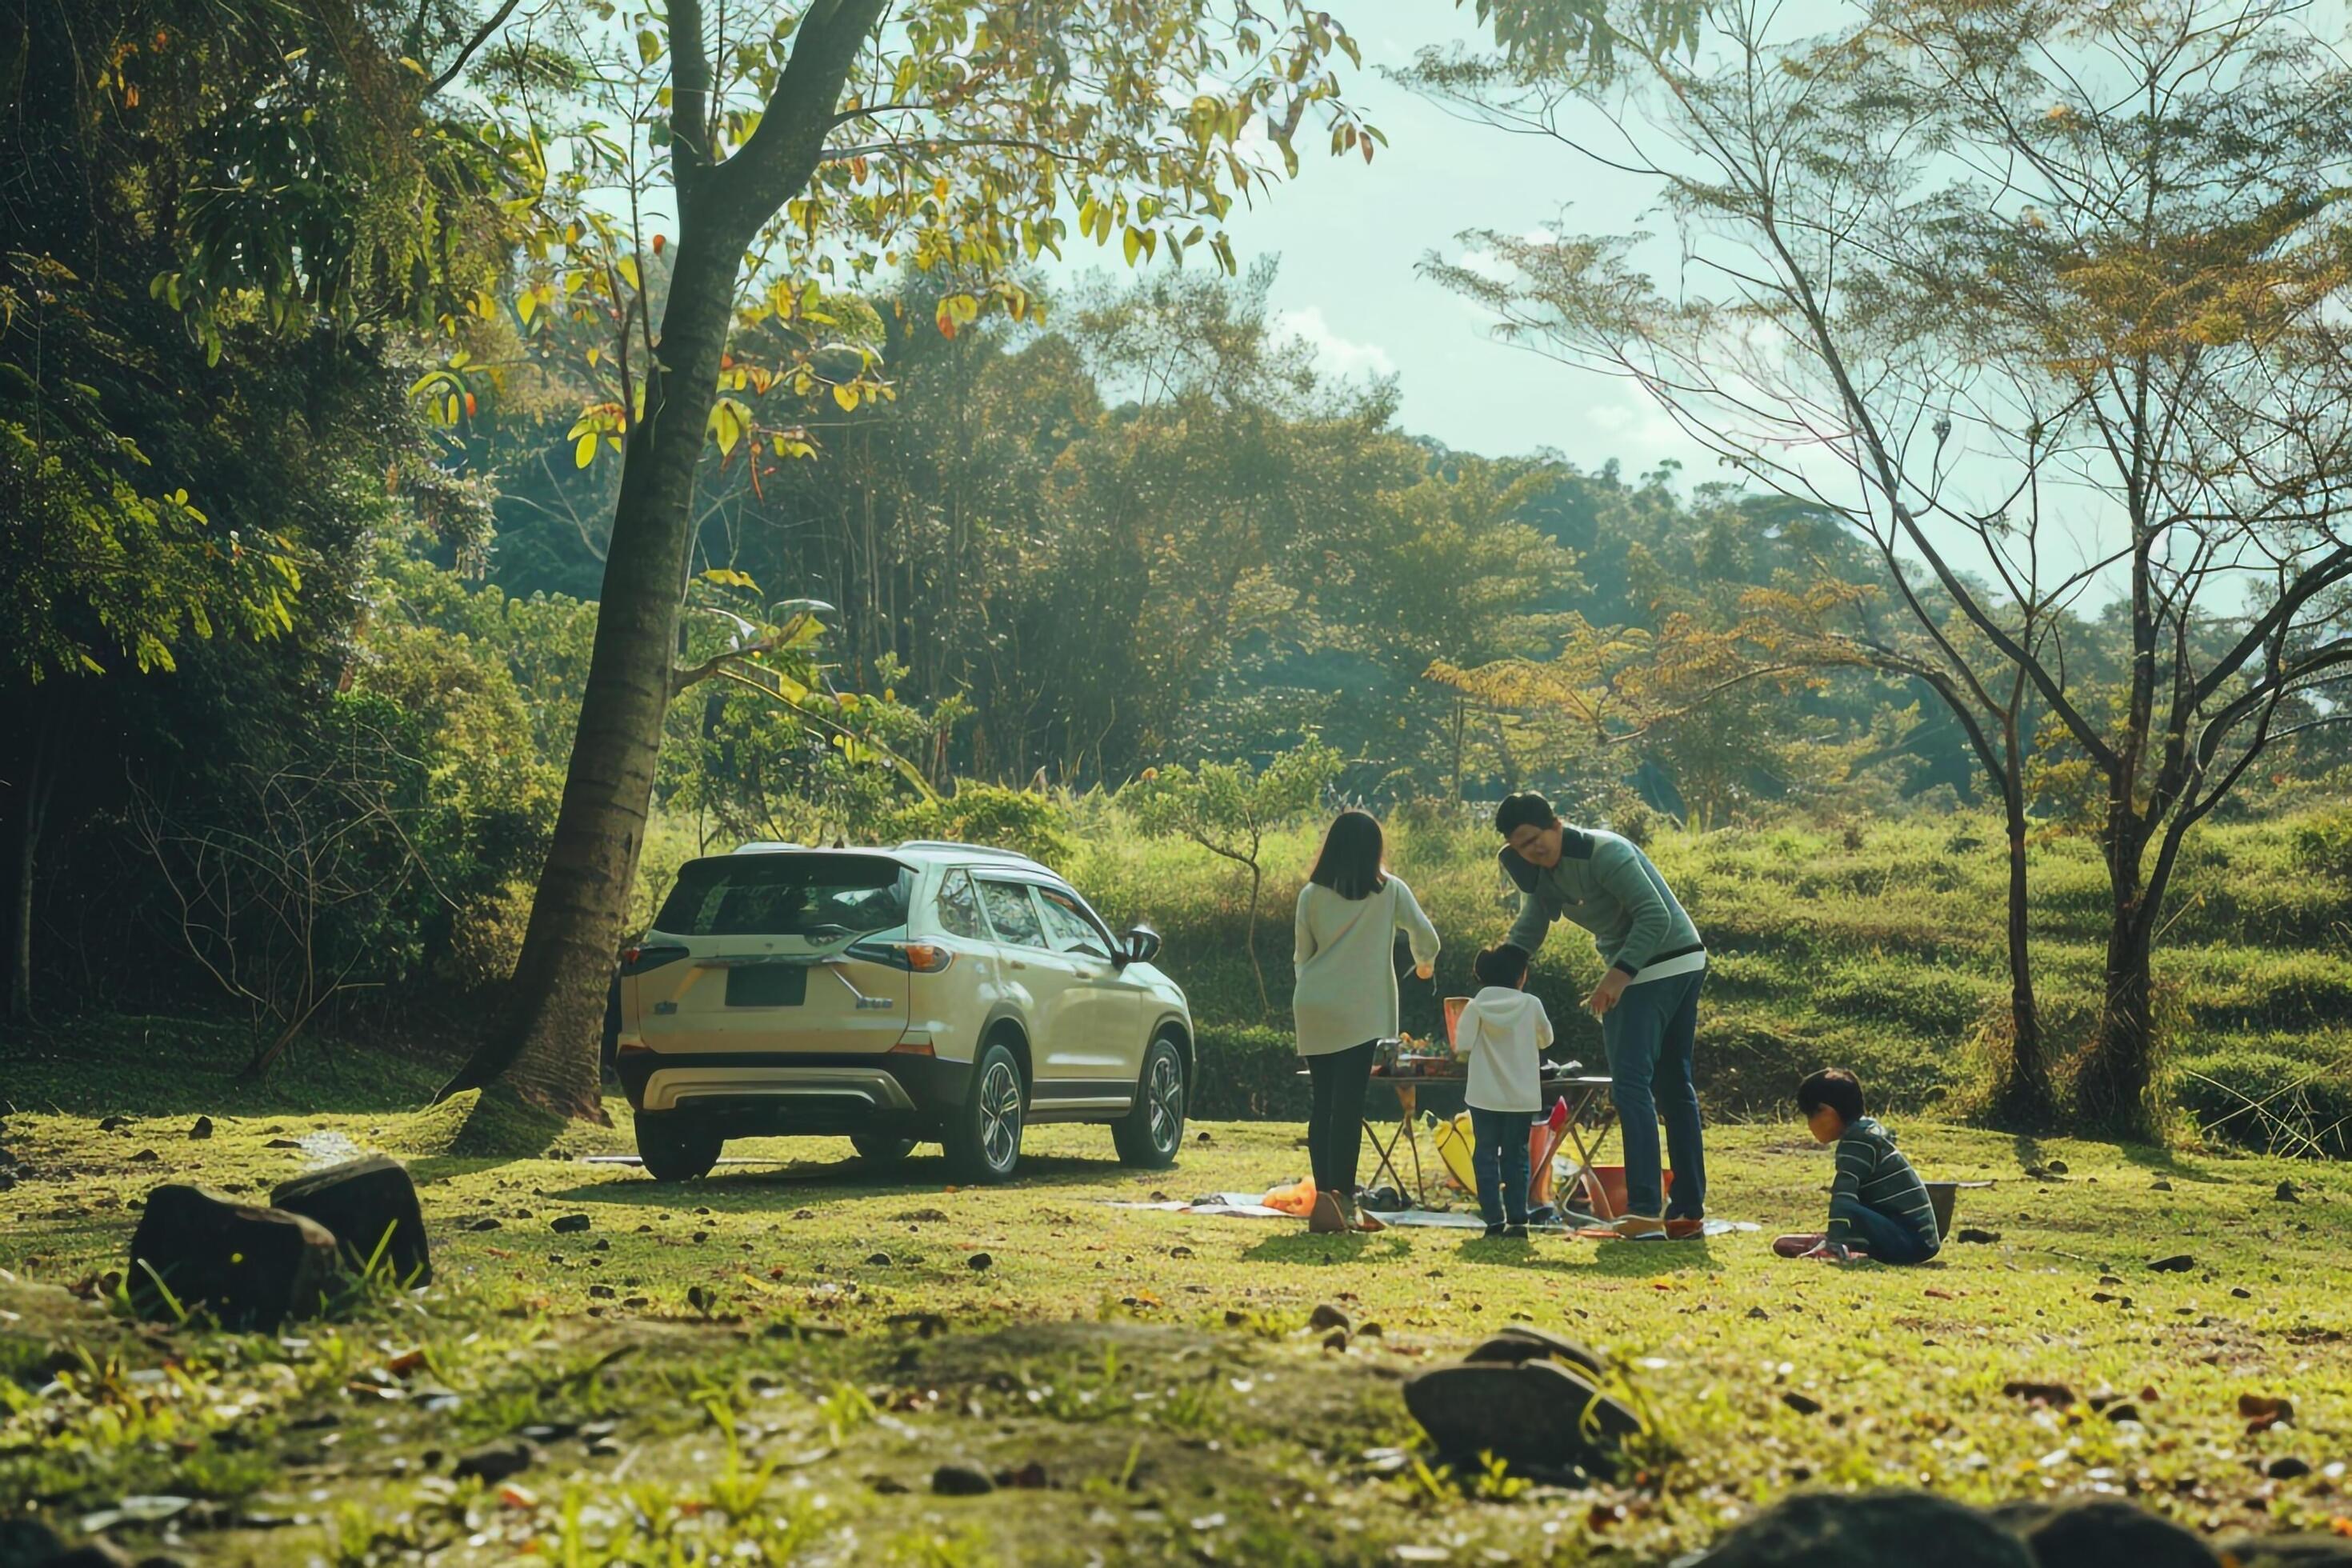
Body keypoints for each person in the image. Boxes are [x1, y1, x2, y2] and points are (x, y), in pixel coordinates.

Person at [1492, 791, 1706, 1241]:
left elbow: (1656, 916)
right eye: (1521, 847)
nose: (1533, 851)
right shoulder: (1543, 875)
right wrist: (1501, 970)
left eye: (1536, 839)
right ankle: (1686, 1212)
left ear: (1555, 824)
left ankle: (1645, 1210)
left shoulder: (1605, 852)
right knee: (1670, 1086)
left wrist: (1617, 976)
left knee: (1633, 1084)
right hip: (1650, 967)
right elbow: (1531, 926)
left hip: (1664, 962)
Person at [1293, 808, 1440, 1234]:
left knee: (1323, 1103)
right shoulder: (1390, 891)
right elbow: (1426, 937)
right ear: (1375, 849)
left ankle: (1325, 1197)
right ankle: (1341, 1199)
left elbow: (1303, 957)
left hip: (1315, 1004)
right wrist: (1424, 965)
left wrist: (1315, 990)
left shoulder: (1311, 895)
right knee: (1349, 1104)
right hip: (1362, 1010)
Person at [1453, 944, 1554, 1237]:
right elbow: (1546, 1039)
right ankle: (1519, 1219)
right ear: (1520, 977)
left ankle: (1493, 1219)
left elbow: (1463, 1045)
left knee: (1485, 1153)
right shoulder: (1531, 1004)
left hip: (1484, 1094)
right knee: (1516, 1155)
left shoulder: (1475, 1006)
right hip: (1521, 1096)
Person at [1791, 1067, 1940, 1263]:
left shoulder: (1857, 1143)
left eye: (1811, 1116)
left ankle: (1837, 1246)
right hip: (1916, 1239)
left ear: (1826, 1111)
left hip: (1910, 1243)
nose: (1810, 1125)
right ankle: (1842, 1243)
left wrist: (1835, 1240)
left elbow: (1844, 1195)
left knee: (1844, 1204)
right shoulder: (1866, 1133)